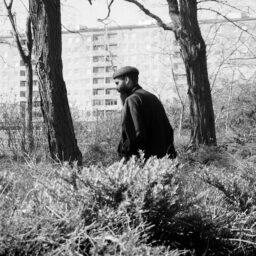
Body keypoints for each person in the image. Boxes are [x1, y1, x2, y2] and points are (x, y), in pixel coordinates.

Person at [113, 66, 177, 160]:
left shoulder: (132, 100)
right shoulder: (152, 97)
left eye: (117, 83)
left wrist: (124, 158)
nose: (116, 88)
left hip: (145, 164)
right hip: (161, 162)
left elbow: (134, 136)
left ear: (127, 80)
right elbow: (168, 131)